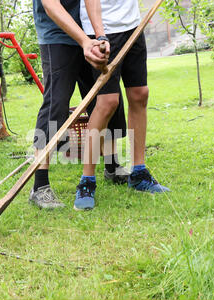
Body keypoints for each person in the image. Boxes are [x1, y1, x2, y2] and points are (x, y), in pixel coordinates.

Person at [29, 0, 129, 210]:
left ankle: (112, 165)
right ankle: (40, 186)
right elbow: (51, 6)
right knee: (56, 102)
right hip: (56, 36)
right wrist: (84, 41)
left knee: (105, 99)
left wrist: (98, 36)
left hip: (89, 33)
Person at [74, 0, 170, 211]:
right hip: (103, 31)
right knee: (108, 101)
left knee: (140, 94)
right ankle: (86, 181)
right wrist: (100, 35)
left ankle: (139, 173)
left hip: (133, 25)